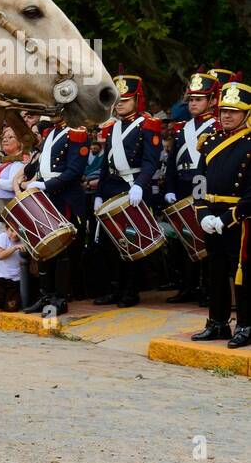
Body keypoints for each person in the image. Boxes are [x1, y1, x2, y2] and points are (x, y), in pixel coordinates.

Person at [93, 73, 163, 307]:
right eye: (117, 99)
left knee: (132, 242)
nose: (120, 103)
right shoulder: (112, 126)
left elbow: (151, 162)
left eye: (126, 99)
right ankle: (114, 288)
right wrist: (99, 193)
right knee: (109, 243)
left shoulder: (148, 125)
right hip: (112, 186)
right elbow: (106, 163)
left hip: (134, 187)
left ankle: (130, 291)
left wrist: (140, 185)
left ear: (137, 100)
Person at [191, 81, 251, 346]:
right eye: (224, 110)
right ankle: (217, 323)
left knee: (243, 273)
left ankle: (246, 326)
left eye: (235, 111)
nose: (227, 115)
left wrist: (228, 218)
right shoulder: (210, 141)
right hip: (211, 215)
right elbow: (198, 179)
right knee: (214, 272)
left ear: (247, 113)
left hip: (241, 218)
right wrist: (203, 212)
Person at [20, 115, 89, 314]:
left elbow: (74, 170)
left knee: (63, 250)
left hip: (65, 197)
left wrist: (45, 184)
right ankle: (46, 295)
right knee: (45, 248)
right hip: (48, 197)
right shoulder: (51, 132)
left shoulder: (76, 132)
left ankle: (60, 298)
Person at [163, 71, 220, 303]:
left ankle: (206, 287)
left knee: (203, 235)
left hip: (203, 183)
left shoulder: (217, 125)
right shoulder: (180, 128)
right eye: (192, 99)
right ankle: (186, 286)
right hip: (182, 183)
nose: (193, 103)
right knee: (184, 236)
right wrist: (169, 187)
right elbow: (172, 162)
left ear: (212, 101)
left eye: (199, 99)